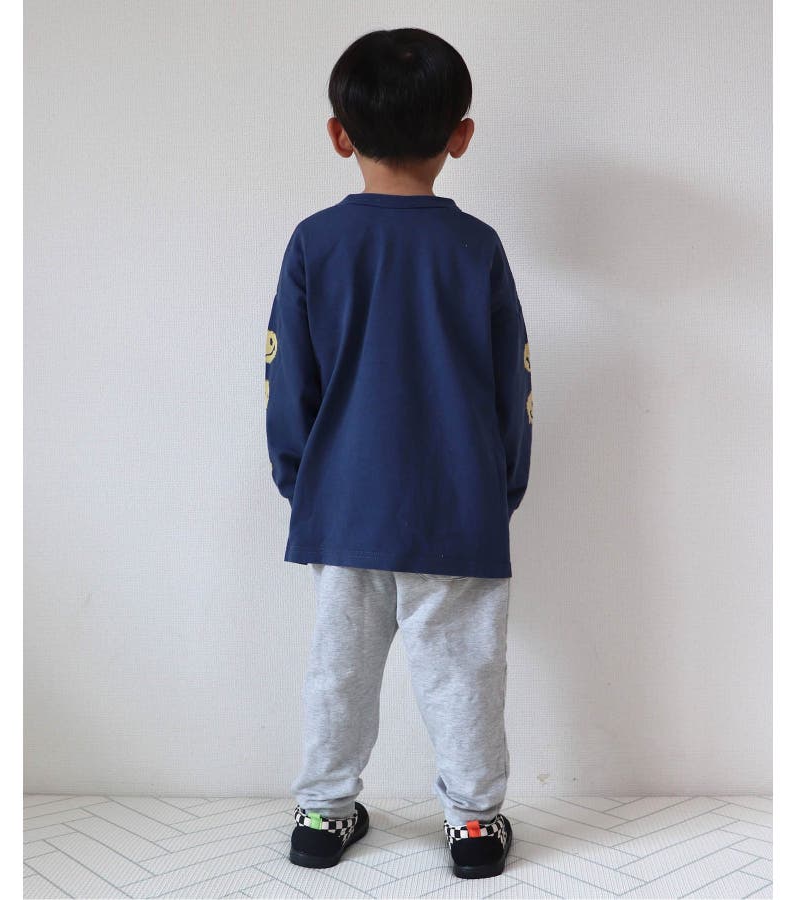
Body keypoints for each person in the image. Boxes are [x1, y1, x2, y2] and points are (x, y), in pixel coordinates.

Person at [264, 27, 533, 880]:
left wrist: (302, 481)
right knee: (464, 673)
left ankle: (321, 816)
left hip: (344, 503)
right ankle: (475, 828)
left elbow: (287, 380)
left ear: (339, 134)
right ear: (461, 134)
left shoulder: (315, 243)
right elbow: (512, 383)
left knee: (338, 673)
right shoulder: (476, 247)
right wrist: (502, 488)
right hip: (458, 506)